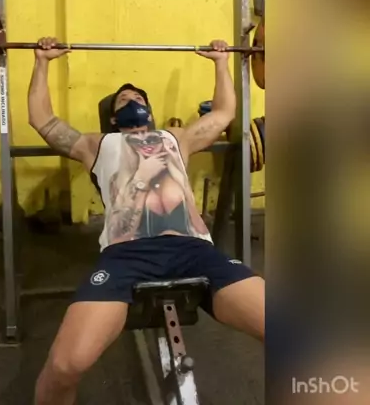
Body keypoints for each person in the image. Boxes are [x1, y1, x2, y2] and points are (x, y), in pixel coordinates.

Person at [28, 37, 265, 405]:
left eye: (138, 97)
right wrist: (42, 61)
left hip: (194, 249)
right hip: (126, 255)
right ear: (113, 117)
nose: (132, 100)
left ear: (149, 110)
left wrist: (220, 62)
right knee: (64, 366)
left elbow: (223, 113)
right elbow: (42, 120)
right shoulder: (97, 144)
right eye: (124, 99)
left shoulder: (176, 138)